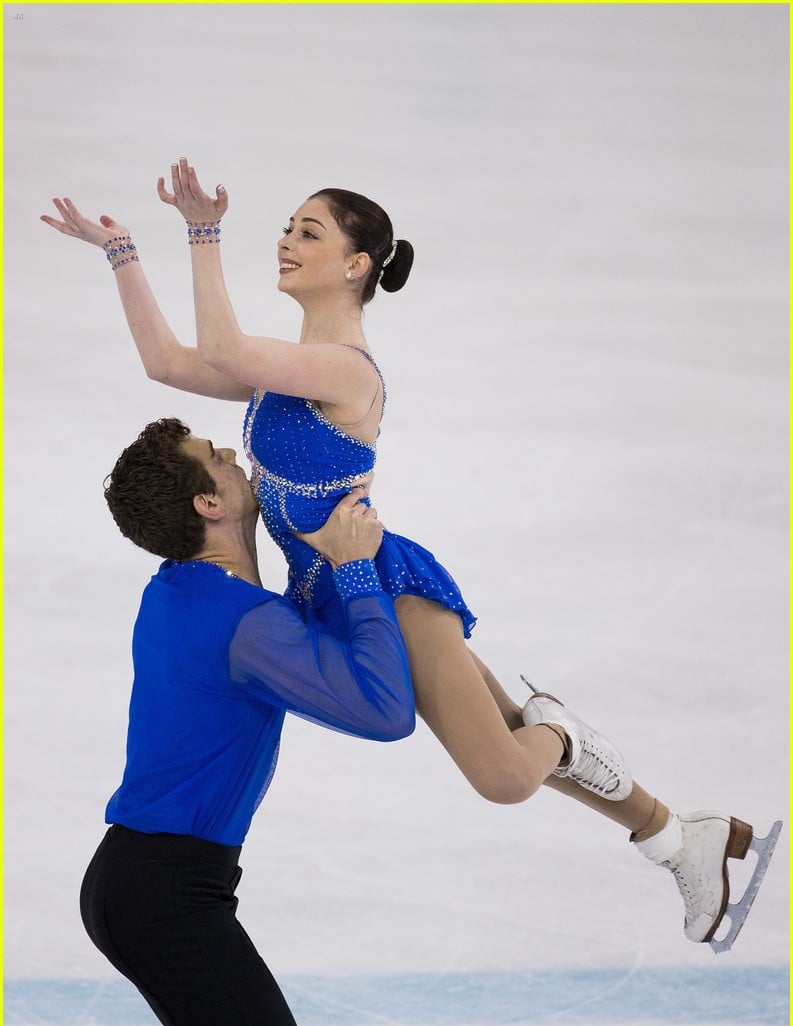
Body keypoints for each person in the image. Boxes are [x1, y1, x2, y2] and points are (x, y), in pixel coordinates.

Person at [43, 165, 779, 952]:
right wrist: (121, 251)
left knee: (504, 772)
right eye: (287, 228)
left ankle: (560, 731)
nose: (286, 242)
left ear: (357, 266)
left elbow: (220, 345)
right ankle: (675, 837)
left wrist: (200, 230)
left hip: (384, 589)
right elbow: (169, 363)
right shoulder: (282, 373)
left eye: (307, 232)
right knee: (498, 735)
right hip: (327, 590)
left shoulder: (343, 371)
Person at [79, 416, 415, 1026]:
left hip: (142, 885)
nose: (236, 457)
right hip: (165, 898)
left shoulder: (183, 592)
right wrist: (357, 573)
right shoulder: (241, 624)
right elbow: (383, 710)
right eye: (219, 460)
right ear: (209, 504)